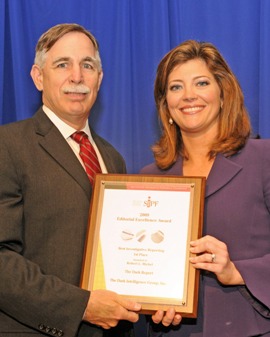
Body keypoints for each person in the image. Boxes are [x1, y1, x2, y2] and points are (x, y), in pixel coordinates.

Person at [0, 23, 180, 337]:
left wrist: (162, 296)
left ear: (100, 77)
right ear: (38, 76)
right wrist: (80, 306)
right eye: (62, 64)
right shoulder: (8, 145)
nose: (77, 77)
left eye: (87, 65)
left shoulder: (112, 158)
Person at [141, 40, 270, 336]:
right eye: (175, 87)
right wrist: (152, 304)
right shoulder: (150, 179)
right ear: (166, 106)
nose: (188, 96)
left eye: (201, 83)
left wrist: (237, 272)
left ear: (223, 94)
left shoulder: (263, 160)